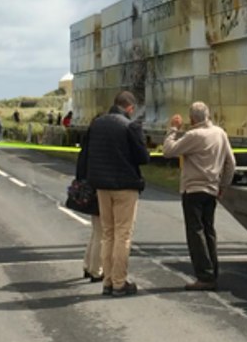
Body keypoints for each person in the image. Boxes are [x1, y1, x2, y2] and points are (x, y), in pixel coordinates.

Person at [75, 90, 149, 297]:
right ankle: (119, 282)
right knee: (123, 235)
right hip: (125, 186)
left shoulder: (97, 124)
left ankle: (107, 280)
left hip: (101, 187)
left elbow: (87, 154)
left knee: (107, 235)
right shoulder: (130, 126)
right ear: (130, 108)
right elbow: (143, 157)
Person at [161, 101, 236, 291]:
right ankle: (213, 271)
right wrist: (223, 185)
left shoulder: (194, 135)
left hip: (193, 189)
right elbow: (231, 163)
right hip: (212, 188)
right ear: (208, 115)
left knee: (195, 232)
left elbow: (168, 151)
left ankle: (204, 276)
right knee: (209, 231)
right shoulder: (220, 133)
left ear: (192, 119)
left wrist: (173, 129)